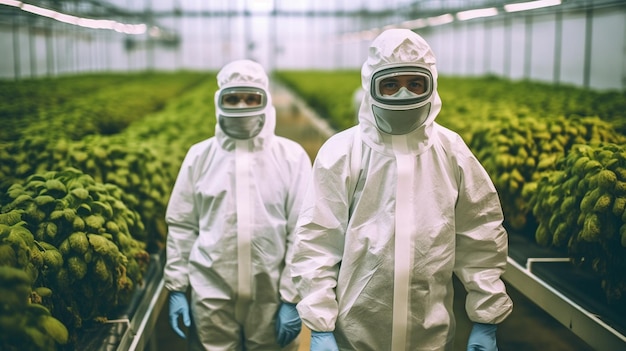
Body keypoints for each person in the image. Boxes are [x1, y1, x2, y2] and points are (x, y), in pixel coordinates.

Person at [289, 28, 513, 351]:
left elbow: (480, 234)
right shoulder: (341, 153)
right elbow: (317, 242)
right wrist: (320, 323)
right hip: (355, 337)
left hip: (430, 337)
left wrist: (485, 317)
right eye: (391, 84)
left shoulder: (451, 152)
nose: (404, 95)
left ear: (431, 85)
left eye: (415, 84)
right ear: (371, 86)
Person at [164, 59, 311, 351]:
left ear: (265, 100)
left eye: (250, 98)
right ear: (219, 102)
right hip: (211, 294)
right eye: (233, 98)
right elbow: (182, 225)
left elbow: (303, 231)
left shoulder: (291, 157)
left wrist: (291, 298)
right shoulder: (200, 156)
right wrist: (177, 287)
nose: (242, 106)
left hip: (271, 298)